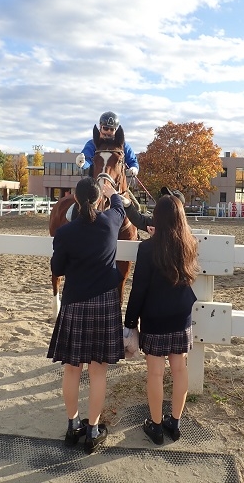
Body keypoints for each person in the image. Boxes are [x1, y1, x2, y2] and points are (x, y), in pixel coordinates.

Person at [47, 176, 126, 454]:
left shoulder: (65, 233)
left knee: (71, 368)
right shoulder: (109, 224)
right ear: (99, 200)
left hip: (75, 303)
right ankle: (92, 429)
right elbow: (120, 207)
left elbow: (57, 268)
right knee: (98, 371)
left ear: (76, 201)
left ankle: (72, 426)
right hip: (104, 302)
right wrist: (113, 193)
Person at [124, 194, 199, 445]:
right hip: (181, 315)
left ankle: (156, 426)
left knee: (155, 374)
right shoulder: (190, 244)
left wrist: (130, 321)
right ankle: (175, 423)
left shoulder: (146, 248)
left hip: (154, 317)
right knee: (180, 369)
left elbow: (138, 289)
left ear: (156, 219)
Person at [76, 111, 139, 176]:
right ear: (100, 127)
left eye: (112, 129)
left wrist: (134, 168)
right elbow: (87, 158)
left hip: (116, 181)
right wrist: (83, 163)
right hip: (95, 180)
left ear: (116, 130)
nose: (108, 131)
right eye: (105, 128)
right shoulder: (92, 144)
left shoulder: (123, 145)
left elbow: (132, 161)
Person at [101, 184, 185, 232]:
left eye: (169, 201)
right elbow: (141, 221)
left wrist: (157, 237)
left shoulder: (184, 230)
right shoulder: (158, 221)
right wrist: (127, 204)